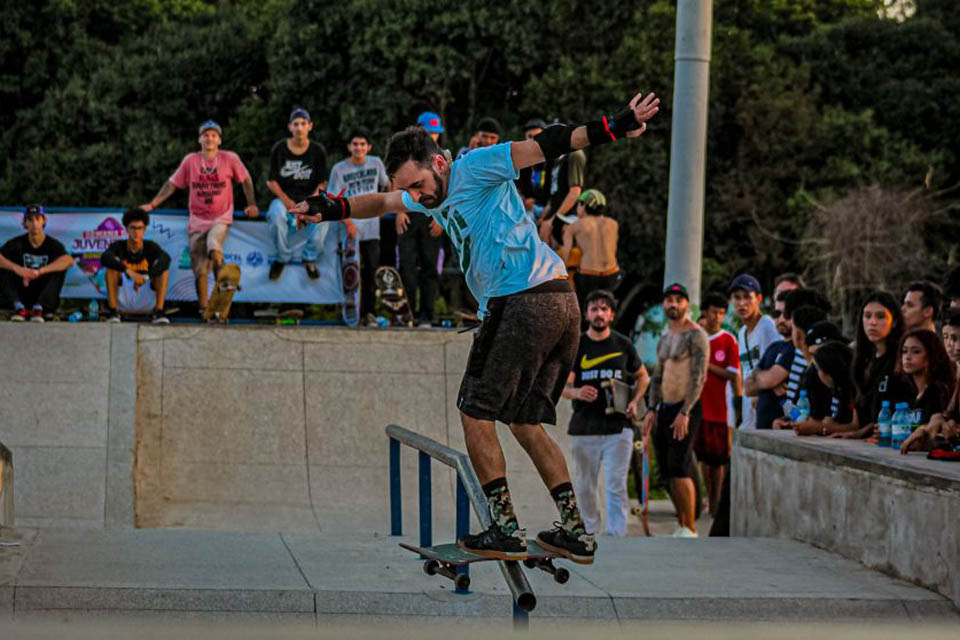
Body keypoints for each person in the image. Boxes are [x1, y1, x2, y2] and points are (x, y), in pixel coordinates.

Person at [291, 90, 660, 562]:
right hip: (560, 302)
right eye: (414, 191)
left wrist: (614, 125)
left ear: (441, 162)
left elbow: (549, 144)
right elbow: (381, 202)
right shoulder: (426, 195)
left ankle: (505, 527)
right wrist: (332, 208)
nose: (420, 197)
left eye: (422, 184)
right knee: (525, 422)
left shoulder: (475, 166)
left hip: (521, 301)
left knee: (474, 411)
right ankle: (576, 530)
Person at [141, 120, 258, 314]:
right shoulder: (191, 161)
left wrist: (252, 204)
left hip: (221, 216)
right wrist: (153, 204)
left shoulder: (229, 158)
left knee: (214, 243)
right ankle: (205, 308)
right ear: (199, 139)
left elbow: (245, 179)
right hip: (197, 220)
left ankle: (223, 279)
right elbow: (172, 184)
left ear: (219, 140)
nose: (209, 138)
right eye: (206, 135)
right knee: (199, 268)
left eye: (213, 135)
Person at [562, 289, 648, 537]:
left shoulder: (623, 344)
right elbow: (563, 388)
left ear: (611, 314)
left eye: (604, 309)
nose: (599, 314)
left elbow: (644, 378)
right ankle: (589, 532)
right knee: (585, 487)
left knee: (615, 486)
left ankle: (616, 536)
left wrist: (635, 401)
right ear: (587, 314)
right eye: (594, 309)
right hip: (584, 428)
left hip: (617, 429)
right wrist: (577, 393)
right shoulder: (577, 345)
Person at [642, 283, 709, 537]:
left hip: (686, 408)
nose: (673, 304)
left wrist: (685, 412)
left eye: (678, 300)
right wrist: (651, 408)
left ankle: (690, 527)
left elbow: (699, 377)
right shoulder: (666, 337)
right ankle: (681, 522)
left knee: (680, 466)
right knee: (667, 469)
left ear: (686, 304)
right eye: (669, 300)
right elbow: (657, 377)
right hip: (664, 408)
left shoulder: (696, 335)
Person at [327, 128, 391, 325]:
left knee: (371, 272)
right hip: (350, 229)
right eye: (355, 144)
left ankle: (369, 313)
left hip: (372, 228)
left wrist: (385, 204)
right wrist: (347, 222)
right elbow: (333, 199)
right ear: (349, 147)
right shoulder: (339, 169)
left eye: (362, 144)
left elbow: (388, 184)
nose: (359, 147)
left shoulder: (376, 162)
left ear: (368, 147)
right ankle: (349, 313)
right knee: (349, 274)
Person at [265, 107, 328, 281]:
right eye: (296, 124)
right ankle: (282, 257)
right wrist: (287, 202)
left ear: (310, 126)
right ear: (290, 127)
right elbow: (271, 181)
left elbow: (322, 182)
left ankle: (309, 257)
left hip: (310, 197)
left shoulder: (317, 150)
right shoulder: (279, 149)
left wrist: (311, 202)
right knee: (276, 215)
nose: (299, 127)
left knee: (325, 217)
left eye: (303, 123)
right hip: (285, 200)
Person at [693, 292, 740, 517]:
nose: (718, 317)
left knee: (719, 462)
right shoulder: (696, 336)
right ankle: (708, 500)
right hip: (699, 408)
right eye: (714, 312)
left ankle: (717, 503)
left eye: (722, 313)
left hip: (721, 410)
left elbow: (733, 375)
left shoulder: (728, 340)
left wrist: (707, 365)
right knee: (703, 458)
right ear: (705, 312)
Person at [745, 289, 807, 430]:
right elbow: (747, 387)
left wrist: (762, 380)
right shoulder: (774, 347)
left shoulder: (797, 349)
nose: (781, 319)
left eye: (786, 314)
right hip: (762, 431)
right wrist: (766, 381)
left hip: (785, 432)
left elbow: (770, 379)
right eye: (777, 314)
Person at [0, 205, 73, 321]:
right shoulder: (16, 243)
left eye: (37, 219)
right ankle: (18, 307)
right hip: (22, 290)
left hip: (42, 291)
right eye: (30, 220)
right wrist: (18, 269)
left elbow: (68, 260)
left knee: (58, 269)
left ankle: (39, 308)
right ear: (25, 223)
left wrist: (39, 271)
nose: (34, 224)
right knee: (4, 266)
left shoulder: (53, 244)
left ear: (43, 221)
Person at [101, 209, 171, 323]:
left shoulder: (150, 246)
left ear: (144, 230)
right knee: (111, 268)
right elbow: (105, 258)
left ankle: (159, 312)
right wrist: (129, 271)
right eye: (133, 228)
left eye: (140, 228)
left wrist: (147, 277)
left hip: (145, 294)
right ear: (127, 229)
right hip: (124, 298)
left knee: (163, 271)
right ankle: (113, 311)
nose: (136, 232)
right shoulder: (119, 246)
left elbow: (166, 260)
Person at [728, 273, 779, 430]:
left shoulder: (768, 326)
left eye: (747, 297)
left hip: (768, 411)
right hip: (748, 415)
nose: (742, 303)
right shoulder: (741, 332)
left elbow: (779, 366)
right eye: (737, 297)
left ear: (759, 298)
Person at [558, 189, 621, 308]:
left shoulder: (574, 226)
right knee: (607, 307)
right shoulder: (613, 224)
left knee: (585, 308)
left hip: (588, 276)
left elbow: (565, 255)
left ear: (583, 205)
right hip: (612, 274)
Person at [786, 341, 857, 437]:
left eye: (817, 369)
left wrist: (819, 428)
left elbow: (856, 426)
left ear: (827, 371)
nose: (816, 373)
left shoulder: (856, 388)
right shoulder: (838, 389)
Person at [538, 130, 586, 251]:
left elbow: (575, 192)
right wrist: (543, 217)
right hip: (555, 210)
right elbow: (554, 194)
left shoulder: (575, 155)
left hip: (569, 215)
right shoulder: (556, 160)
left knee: (550, 233)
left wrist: (554, 219)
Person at [516, 118, 550, 219]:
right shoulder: (519, 160)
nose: (533, 140)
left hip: (547, 208)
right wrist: (522, 199)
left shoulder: (552, 160)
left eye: (538, 137)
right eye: (530, 136)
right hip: (524, 208)